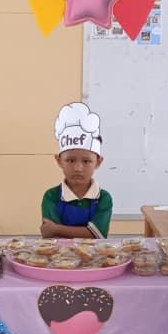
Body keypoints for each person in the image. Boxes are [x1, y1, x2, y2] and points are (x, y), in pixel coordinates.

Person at [40, 102, 113, 238]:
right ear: (59, 160)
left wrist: (57, 229)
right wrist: (86, 232)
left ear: (98, 162)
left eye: (86, 161)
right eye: (70, 160)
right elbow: (51, 237)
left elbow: (98, 235)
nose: (78, 168)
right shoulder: (51, 196)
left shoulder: (103, 198)